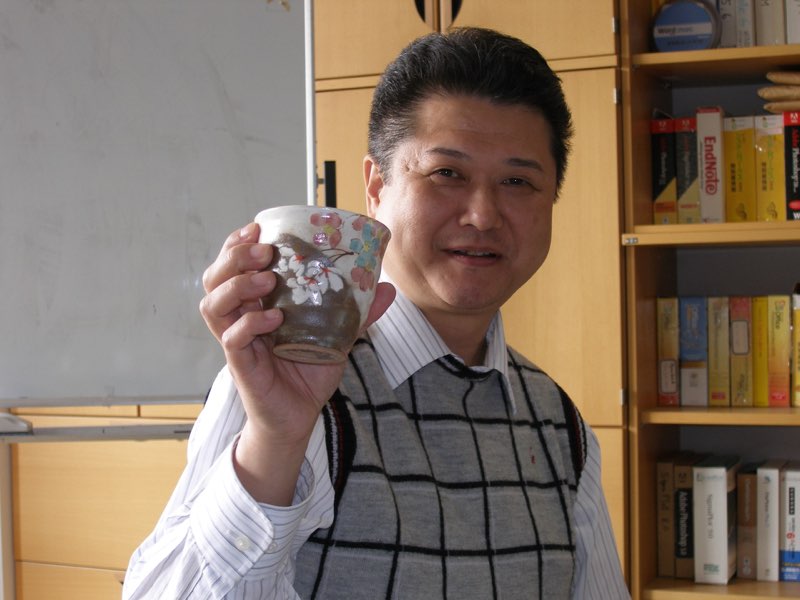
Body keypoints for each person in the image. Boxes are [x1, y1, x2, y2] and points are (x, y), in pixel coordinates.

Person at [123, 27, 629, 600]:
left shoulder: (558, 423)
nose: (483, 215)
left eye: (518, 181)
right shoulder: (286, 383)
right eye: (447, 173)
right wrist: (275, 439)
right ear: (376, 186)